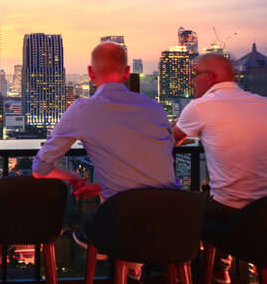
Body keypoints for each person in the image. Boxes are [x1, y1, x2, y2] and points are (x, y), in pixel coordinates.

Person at [32, 42, 179, 279]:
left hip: (125, 221)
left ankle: (127, 261)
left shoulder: (83, 109)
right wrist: (102, 186)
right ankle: (133, 264)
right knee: (113, 218)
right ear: (127, 71)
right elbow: (155, 163)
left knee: (94, 226)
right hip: (175, 217)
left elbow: (39, 169)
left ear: (90, 73)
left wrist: (73, 176)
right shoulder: (155, 108)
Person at [173, 53, 267, 283]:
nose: (193, 81)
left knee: (186, 207)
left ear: (212, 77)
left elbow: (165, 141)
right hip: (264, 211)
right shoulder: (262, 103)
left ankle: (207, 273)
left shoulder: (201, 106)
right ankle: (223, 267)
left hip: (229, 210)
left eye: (196, 75)